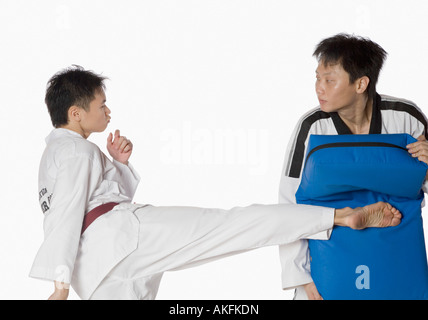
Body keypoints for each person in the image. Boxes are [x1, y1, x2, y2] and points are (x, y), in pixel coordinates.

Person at [29, 66, 401, 300]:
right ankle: (340, 217)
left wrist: (120, 166)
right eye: (101, 105)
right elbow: (66, 215)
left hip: (96, 271)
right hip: (124, 238)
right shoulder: (76, 152)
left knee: (231, 228)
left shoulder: (55, 156)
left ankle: (335, 218)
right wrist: (58, 286)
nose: (108, 112)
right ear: (75, 113)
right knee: (231, 224)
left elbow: (89, 206)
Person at [278, 33, 428, 300]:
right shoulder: (312, 126)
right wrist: (299, 276)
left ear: (360, 84)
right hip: (330, 251)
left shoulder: (406, 117)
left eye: (329, 80)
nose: (319, 88)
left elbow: (422, 184)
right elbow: (289, 201)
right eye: (317, 78)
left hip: (395, 248)